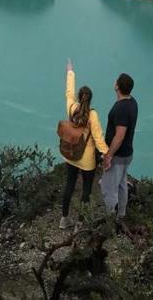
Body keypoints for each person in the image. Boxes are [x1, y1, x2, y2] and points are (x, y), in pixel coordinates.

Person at [60, 58, 109, 229]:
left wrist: (70, 72)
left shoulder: (72, 108)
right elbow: (98, 138)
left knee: (69, 186)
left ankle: (64, 219)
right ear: (90, 99)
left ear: (80, 98)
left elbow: (68, 93)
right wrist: (107, 154)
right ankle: (79, 223)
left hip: (72, 155)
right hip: (87, 159)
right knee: (86, 190)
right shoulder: (92, 115)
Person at [100, 72, 138, 221]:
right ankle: (121, 215)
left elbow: (119, 135)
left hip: (118, 155)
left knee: (109, 188)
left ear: (117, 86)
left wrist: (109, 156)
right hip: (127, 154)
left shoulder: (121, 108)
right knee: (122, 184)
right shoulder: (132, 102)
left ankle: (109, 221)